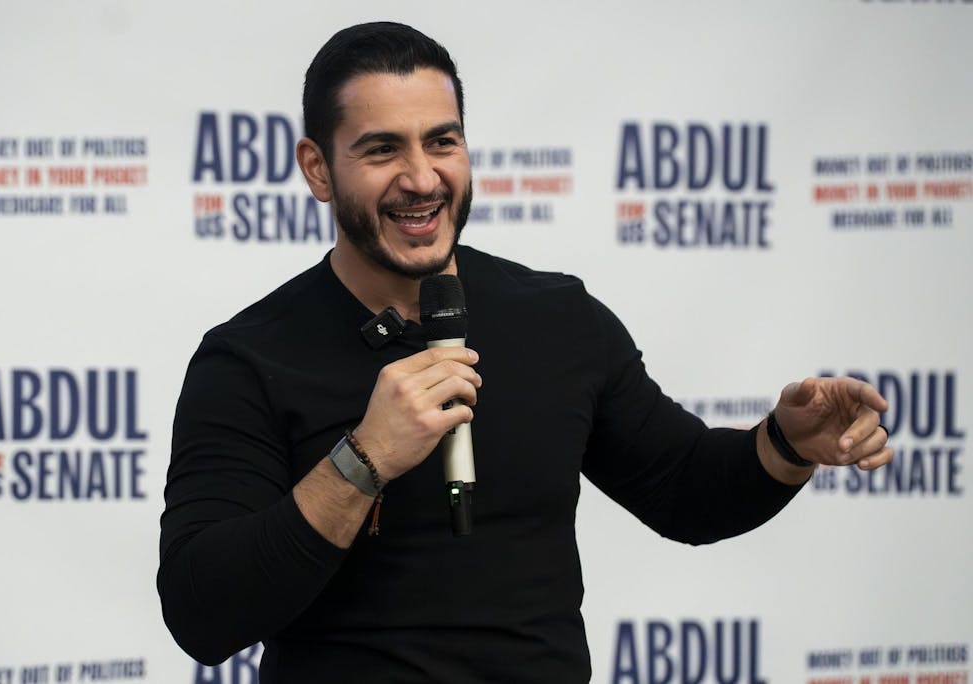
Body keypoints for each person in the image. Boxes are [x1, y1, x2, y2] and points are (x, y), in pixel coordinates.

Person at [157, 21, 892, 683]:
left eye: (441, 141)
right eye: (382, 150)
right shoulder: (248, 359)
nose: (421, 178)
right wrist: (364, 458)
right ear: (318, 168)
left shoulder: (558, 318)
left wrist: (785, 444)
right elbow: (204, 613)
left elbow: (686, 490)